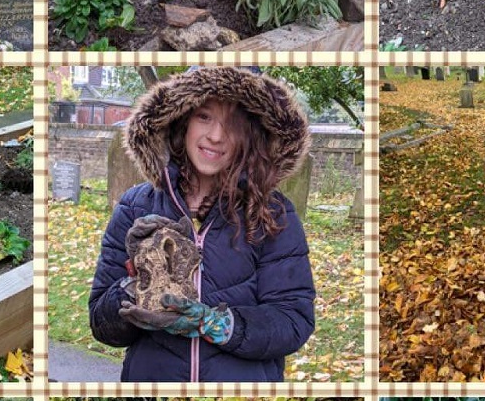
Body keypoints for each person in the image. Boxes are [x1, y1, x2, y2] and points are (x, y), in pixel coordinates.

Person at [88, 67, 316, 382]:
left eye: (233, 124)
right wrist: (137, 278)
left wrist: (210, 323)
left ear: (251, 133)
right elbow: (102, 325)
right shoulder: (134, 207)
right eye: (205, 117)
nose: (216, 136)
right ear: (182, 120)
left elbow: (293, 320)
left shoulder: (274, 213)